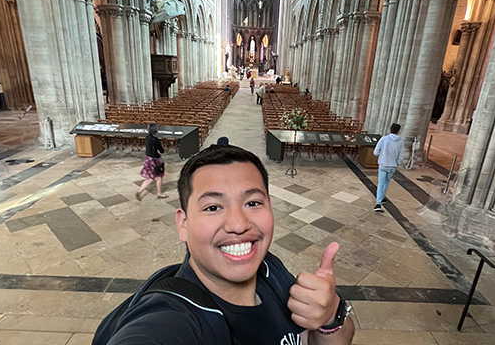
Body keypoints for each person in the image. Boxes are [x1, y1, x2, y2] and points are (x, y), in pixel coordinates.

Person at [102, 145, 355, 344]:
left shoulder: (269, 268)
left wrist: (331, 316)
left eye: (253, 203)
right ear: (183, 223)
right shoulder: (171, 319)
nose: (237, 224)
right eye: (213, 207)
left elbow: (309, 338)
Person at [373, 123, 404, 212]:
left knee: (381, 183)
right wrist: (397, 163)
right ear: (398, 131)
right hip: (392, 166)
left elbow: (375, 152)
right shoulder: (400, 141)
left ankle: (378, 203)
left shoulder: (384, 139)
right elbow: (401, 155)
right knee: (386, 183)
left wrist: (382, 156)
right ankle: (382, 197)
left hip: (383, 164)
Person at [136, 123, 168, 200]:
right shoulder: (155, 140)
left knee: (150, 177)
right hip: (155, 160)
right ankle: (159, 193)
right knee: (159, 176)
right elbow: (161, 150)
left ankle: (139, 191)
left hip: (148, 159)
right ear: (155, 131)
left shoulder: (147, 137)